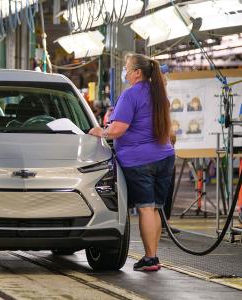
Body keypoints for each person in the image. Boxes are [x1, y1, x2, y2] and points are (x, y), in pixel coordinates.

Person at [89, 53, 175, 272]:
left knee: (146, 209)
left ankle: (150, 258)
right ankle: (152, 257)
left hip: (139, 161)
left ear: (138, 72)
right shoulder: (158, 93)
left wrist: (99, 131)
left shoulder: (131, 94)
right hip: (164, 157)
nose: (125, 73)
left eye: (127, 69)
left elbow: (117, 130)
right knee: (155, 209)